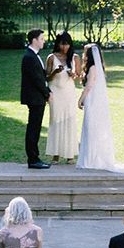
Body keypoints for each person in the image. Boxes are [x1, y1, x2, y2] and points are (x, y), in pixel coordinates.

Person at [76, 42, 117, 171]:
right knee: (91, 126)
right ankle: (91, 157)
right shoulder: (97, 67)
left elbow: (89, 86)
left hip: (92, 99)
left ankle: (92, 159)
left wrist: (81, 99)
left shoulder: (93, 68)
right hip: (94, 98)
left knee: (91, 126)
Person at [45, 31, 80, 163]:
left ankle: (70, 155)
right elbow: (47, 77)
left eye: (67, 44)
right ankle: (55, 154)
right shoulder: (51, 57)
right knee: (55, 121)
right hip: (55, 92)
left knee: (69, 121)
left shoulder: (75, 57)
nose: (64, 47)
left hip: (68, 93)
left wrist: (73, 75)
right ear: (58, 44)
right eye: (62, 44)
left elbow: (79, 76)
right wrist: (55, 71)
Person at [20, 29, 52, 169]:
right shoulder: (29, 57)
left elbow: (41, 76)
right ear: (34, 40)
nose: (43, 41)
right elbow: (37, 79)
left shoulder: (33, 56)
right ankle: (33, 159)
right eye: (41, 39)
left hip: (37, 97)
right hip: (35, 97)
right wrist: (47, 93)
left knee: (35, 127)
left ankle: (34, 158)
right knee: (34, 128)